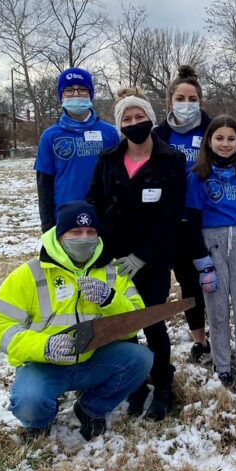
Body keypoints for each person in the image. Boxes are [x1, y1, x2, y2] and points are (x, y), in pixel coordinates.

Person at [0, 201, 152, 441]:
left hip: (94, 359)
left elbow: (136, 320)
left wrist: (110, 299)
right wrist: (45, 346)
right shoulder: (30, 273)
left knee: (141, 359)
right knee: (29, 401)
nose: (85, 238)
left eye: (91, 232)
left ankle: (90, 409)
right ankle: (41, 421)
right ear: (61, 236)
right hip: (44, 364)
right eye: (76, 232)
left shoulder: (112, 271)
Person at [87, 88, 187, 420]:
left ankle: (162, 386)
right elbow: (94, 204)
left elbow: (170, 216)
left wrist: (143, 255)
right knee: (121, 323)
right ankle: (134, 384)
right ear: (119, 125)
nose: (134, 123)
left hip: (152, 258)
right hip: (114, 256)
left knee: (152, 322)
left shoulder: (171, 160)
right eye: (126, 119)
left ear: (151, 119)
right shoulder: (108, 159)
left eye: (139, 117)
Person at [186, 115, 236, 394]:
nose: (225, 143)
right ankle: (223, 366)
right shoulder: (198, 176)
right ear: (209, 141)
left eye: (231, 138)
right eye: (219, 138)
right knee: (218, 311)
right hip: (213, 243)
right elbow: (191, 222)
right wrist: (202, 263)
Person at [154, 66, 226, 363]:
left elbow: (232, 160)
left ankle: (218, 334)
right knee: (186, 281)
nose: (186, 103)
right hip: (170, 221)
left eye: (192, 98)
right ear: (170, 101)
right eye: (180, 98)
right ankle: (200, 339)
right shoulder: (158, 134)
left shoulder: (213, 129)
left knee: (209, 279)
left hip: (205, 217)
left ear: (201, 101)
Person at [34, 68, 120, 232]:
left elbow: (118, 178)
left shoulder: (109, 133)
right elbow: (44, 186)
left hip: (102, 217)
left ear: (90, 93)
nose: (76, 94)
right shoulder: (50, 136)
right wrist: (47, 226)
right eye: (69, 90)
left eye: (82, 89)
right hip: (65, 219)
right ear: (61, 95)